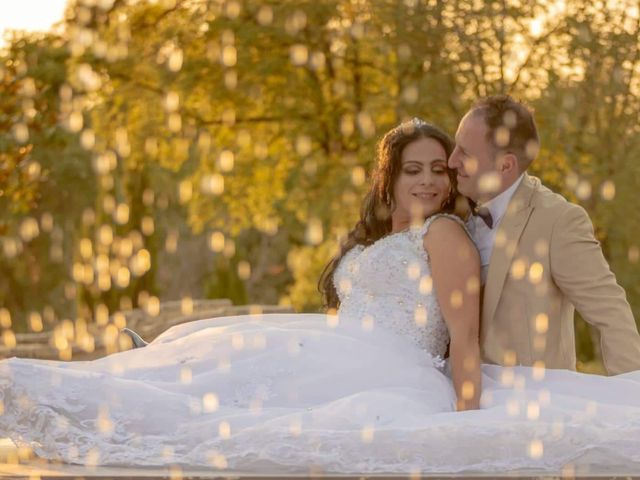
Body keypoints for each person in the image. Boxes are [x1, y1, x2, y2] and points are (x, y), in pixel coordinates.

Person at [1, 119, 639, 475]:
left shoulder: (446, 236)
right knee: (203, 382)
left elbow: (464, 339)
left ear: (453, 180)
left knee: (233, 419)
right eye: (411, 169)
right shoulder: (372, 238)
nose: (425, 181)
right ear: (389, 176)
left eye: (438, 170)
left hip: (394, 369)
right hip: (338, 350)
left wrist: (464, 434)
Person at [447, 94, 640, 375]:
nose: (452, 161)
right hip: (459, 398)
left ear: (505, 165)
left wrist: (632, 402)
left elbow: (610, 313)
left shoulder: (558, 221)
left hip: (531, 405)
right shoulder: (449, 213)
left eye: (465, 153)